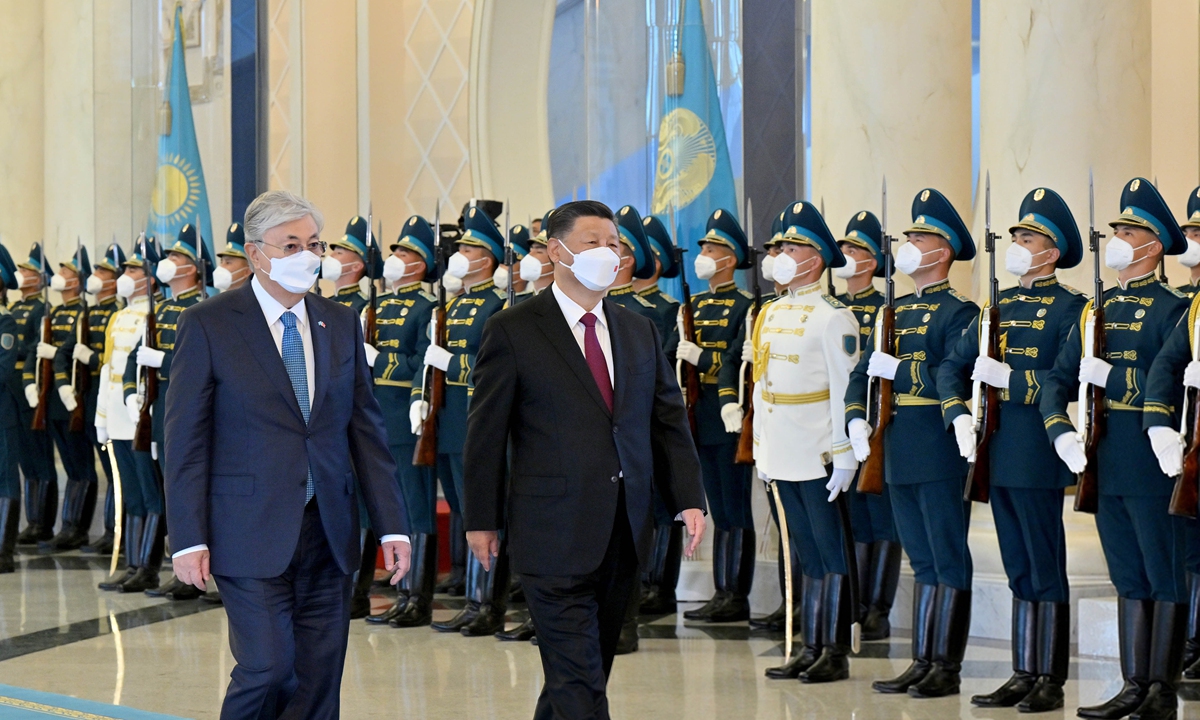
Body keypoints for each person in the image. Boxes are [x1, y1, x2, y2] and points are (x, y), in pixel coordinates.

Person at [165, 189, 411, 720]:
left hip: (328, 530)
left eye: (314, 243)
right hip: (246, 529)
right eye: (291, 244)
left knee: (321, 675)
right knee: (270, 667)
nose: (308, 255)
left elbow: (366, 433)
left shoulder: (339, 321)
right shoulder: (209, 323)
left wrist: (392, 526)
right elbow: (185, 442)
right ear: (256, 254)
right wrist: (188, 537)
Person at [461, 199, 707, 719]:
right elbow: (485, 433)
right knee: (580, 686)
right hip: (550, 531)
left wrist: (688, 498)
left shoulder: (638, 329)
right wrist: (480, 519)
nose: (608, 254)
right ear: (557, 250)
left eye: (614, 245)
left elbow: (667, 421)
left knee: (582, 673)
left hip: (623, 529)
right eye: (594, 242)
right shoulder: (514, 329)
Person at [1043, 177, 1190, 720]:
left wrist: (1160, 426)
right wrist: (1060, 430)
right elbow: (1057, 379)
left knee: (1162, 568)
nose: (1119, 239)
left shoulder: (1174, 308)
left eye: (1129, 231)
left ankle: (1161, 689)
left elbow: (1176, 377)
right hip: (1102, 452)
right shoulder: (1093, 311)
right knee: (1126, 570)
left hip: (1152, 452)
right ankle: (1134, 684)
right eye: (1117, 230)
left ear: (1154, 243)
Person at [939, 187, 1086, 713]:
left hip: (1038, 448)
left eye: (1029, 237)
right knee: (1017, 563)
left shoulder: (1074, 308)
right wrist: (956, 412)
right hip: (997, 450)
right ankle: (1024, 669)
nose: (1018, 244)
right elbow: (950, 367)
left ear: (1053, 250)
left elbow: (1067, 381)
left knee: (1045, 563)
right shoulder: (995, 307)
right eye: (1017, 236)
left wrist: (1013, 381)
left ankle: (1050, 677)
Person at [846, 188, 979, 698]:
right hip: (895, 445)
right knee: (921, 560)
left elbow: (959, 377)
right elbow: (862, 374)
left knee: (947, 556)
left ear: (942, 251)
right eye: (909, 235)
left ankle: (946, 664)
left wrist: (903, 370)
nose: (908, 243)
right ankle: (922, 657)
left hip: (939, 446)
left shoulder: (960, 313)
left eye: (919, 236)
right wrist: (857, 419)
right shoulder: (890, 311)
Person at [754, 201, 860, 684]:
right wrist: (760, 446)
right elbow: (760, 383)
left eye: (792, 246)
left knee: (829, 550)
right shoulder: (770, 311)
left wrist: (844, 456)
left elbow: (843, 390)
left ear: (815, 257)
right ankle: (808, 643)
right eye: (780, 246)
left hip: (818, 450)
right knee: (802, 552)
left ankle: (834, 649)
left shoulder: (832, 316)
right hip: (781, 449)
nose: (780, 253)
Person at [419, 204, 511, 636]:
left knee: (484, 511)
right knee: (460, 506)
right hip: (450, 420)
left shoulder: (497, 305)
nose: (461, 252)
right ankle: (472, 598)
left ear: (488, 257)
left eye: (471, 247)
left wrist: (450, 363)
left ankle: (488, 603)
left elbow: (489, 367)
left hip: (479, 419)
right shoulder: (453, 305)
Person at [121, 225, 209, 596]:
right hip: (158, 411)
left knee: (186, 490)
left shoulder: (202, 308)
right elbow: (134, 358)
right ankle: (166, 567)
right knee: (165, 489)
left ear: (192, 267)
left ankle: (194, 573)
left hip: (188, 410)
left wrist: (166, 360)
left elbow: (204, 365)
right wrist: (131, 391)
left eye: (176, 257)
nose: (168, 263)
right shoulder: (165, 309)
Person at [678, 209, 756, 624]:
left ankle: (735, 594)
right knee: (716, 509)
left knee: (735, 508)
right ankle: (720, 589)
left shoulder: (746, 305)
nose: (704, 254)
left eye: (713, 248)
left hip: (730, 417)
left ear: (732, 257)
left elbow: (737, 363)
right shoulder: (696, 303)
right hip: (699, 416)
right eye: (704, 247)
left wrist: (702, 358)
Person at [361, 215, 439, 629]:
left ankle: (416, 596)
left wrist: (382, 361)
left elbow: (422, 362)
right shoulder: (377, 306)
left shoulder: (427, 308)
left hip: (404, 419)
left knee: (414, 509)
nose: (396, 257)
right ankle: (397, 589)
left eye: (406, 252)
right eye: (396, 251)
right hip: (373, 419)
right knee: (388, 510)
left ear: (422, 263)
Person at [832, 210, 901, 642]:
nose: (845, 256)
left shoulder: (883, 309)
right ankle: (854, 602)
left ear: (873, 261)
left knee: (883, 519)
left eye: (854, 250)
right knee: (854, 517)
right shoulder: (833, 308)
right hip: (845, 420)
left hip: (878, 421)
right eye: (842, 249)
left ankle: (879, 607)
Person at [96, 241, 161, 592]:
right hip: (119, 416)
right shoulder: (118, 317)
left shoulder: (156, 314)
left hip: (140, 416)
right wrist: (102, 415)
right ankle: (133, 562)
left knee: (151, 495)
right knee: (131, 494)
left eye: (134, 270)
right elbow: (109, 370)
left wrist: (143, 411)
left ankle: (148, 566)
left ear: (151, 278)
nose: (126, 276)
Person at [633, 214, 686, 616]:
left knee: (660, 501)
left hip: (650, 415)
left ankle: (659, 585)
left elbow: (665, 363)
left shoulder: (666, 309)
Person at [25, 247, 97, 550]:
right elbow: (36, 349)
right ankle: (66, 525)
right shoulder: (54, 312)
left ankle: (76, 527)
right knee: (69, 465)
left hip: (74, 396)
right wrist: (31, 380)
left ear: (78, 281)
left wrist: (55, 354)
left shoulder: (83, 312)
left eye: (67, 271)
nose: (60, 276)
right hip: (53, 398)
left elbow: (71, 348)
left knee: (82, 465)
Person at [76, 243, 124, 556]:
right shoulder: (90, 312)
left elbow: (108, 361)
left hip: (109, 394)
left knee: (113, 468)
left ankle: (112, 529)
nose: (95, 276)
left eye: (102, 271)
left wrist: (90, 359)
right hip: (92, 396)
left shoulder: (114, 312)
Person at [13, 244, 57, 545]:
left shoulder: (42, 308)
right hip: (14, 387)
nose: (22, 275)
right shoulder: (16, 307)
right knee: (25, 458)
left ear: (40, 278)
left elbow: (33, 349)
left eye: (28, 271)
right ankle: (32, 520)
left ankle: (43, 522)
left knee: (40, 458)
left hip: (31, 387)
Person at [1178, 187, 1200, 679]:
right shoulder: (1178, 302)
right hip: (1182, 437)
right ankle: (1189, 640)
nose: (1192, 239)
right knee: (1187, 542)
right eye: (1190, 232)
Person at [0, 245, 24, 573]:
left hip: (2, 413)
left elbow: (2, 369)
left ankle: (3, 550)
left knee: (4, 479)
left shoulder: (6, 323)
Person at [324, 217, 370, 313]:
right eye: (334, 252)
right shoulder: (324, 302)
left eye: (339, 253)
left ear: (356, 266)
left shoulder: (363, 305)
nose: (331, 256)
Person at [214, 223, 252, 292]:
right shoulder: (220, 302)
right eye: (221, 262)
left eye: (228, 262)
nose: (221, 266)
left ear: (247, 271)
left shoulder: (255, 301)